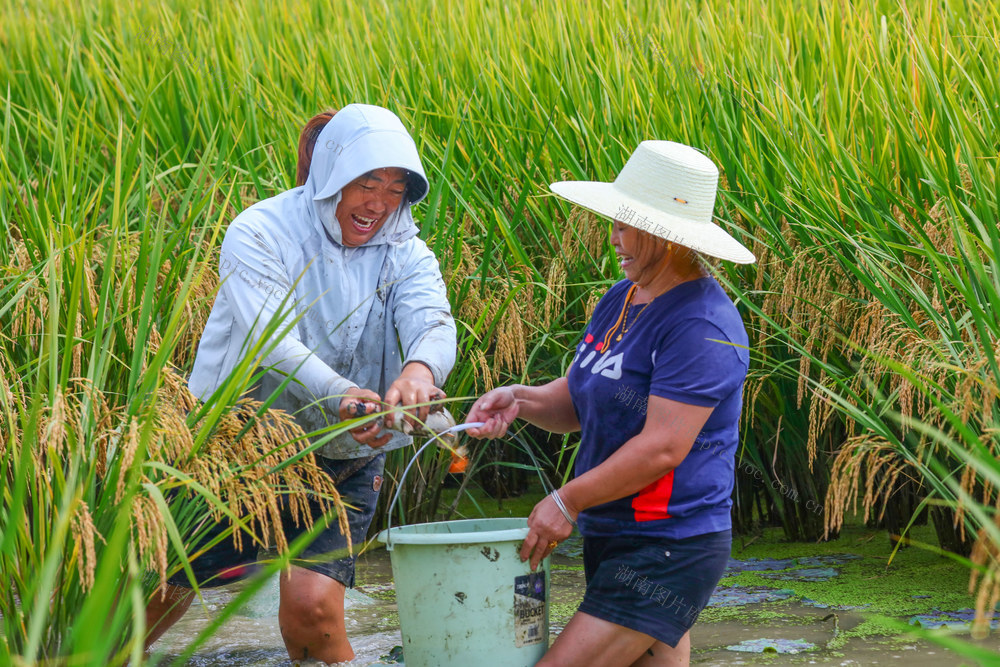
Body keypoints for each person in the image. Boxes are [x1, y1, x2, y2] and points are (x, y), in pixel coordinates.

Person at [145, 104, 457, 663]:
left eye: (395, 188)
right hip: (237, 447)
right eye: (368, 183)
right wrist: (340, 393)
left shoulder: (406, 250)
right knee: (159, 592)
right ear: (334, 176)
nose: (380, 204)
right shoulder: (260, 232)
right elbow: (270, 338)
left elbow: (432, 318)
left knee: (314, 611)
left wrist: (419, 372)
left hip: (347, 449)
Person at [467, 141, 755, 666]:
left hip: (668, 543)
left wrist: (566, 501)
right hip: (613, 536)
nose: (613, 238)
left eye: (625, 225)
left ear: (667, 236)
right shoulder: (620, 299)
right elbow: (580, 399)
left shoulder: (701, 325)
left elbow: (663, 447)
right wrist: (521, 399)